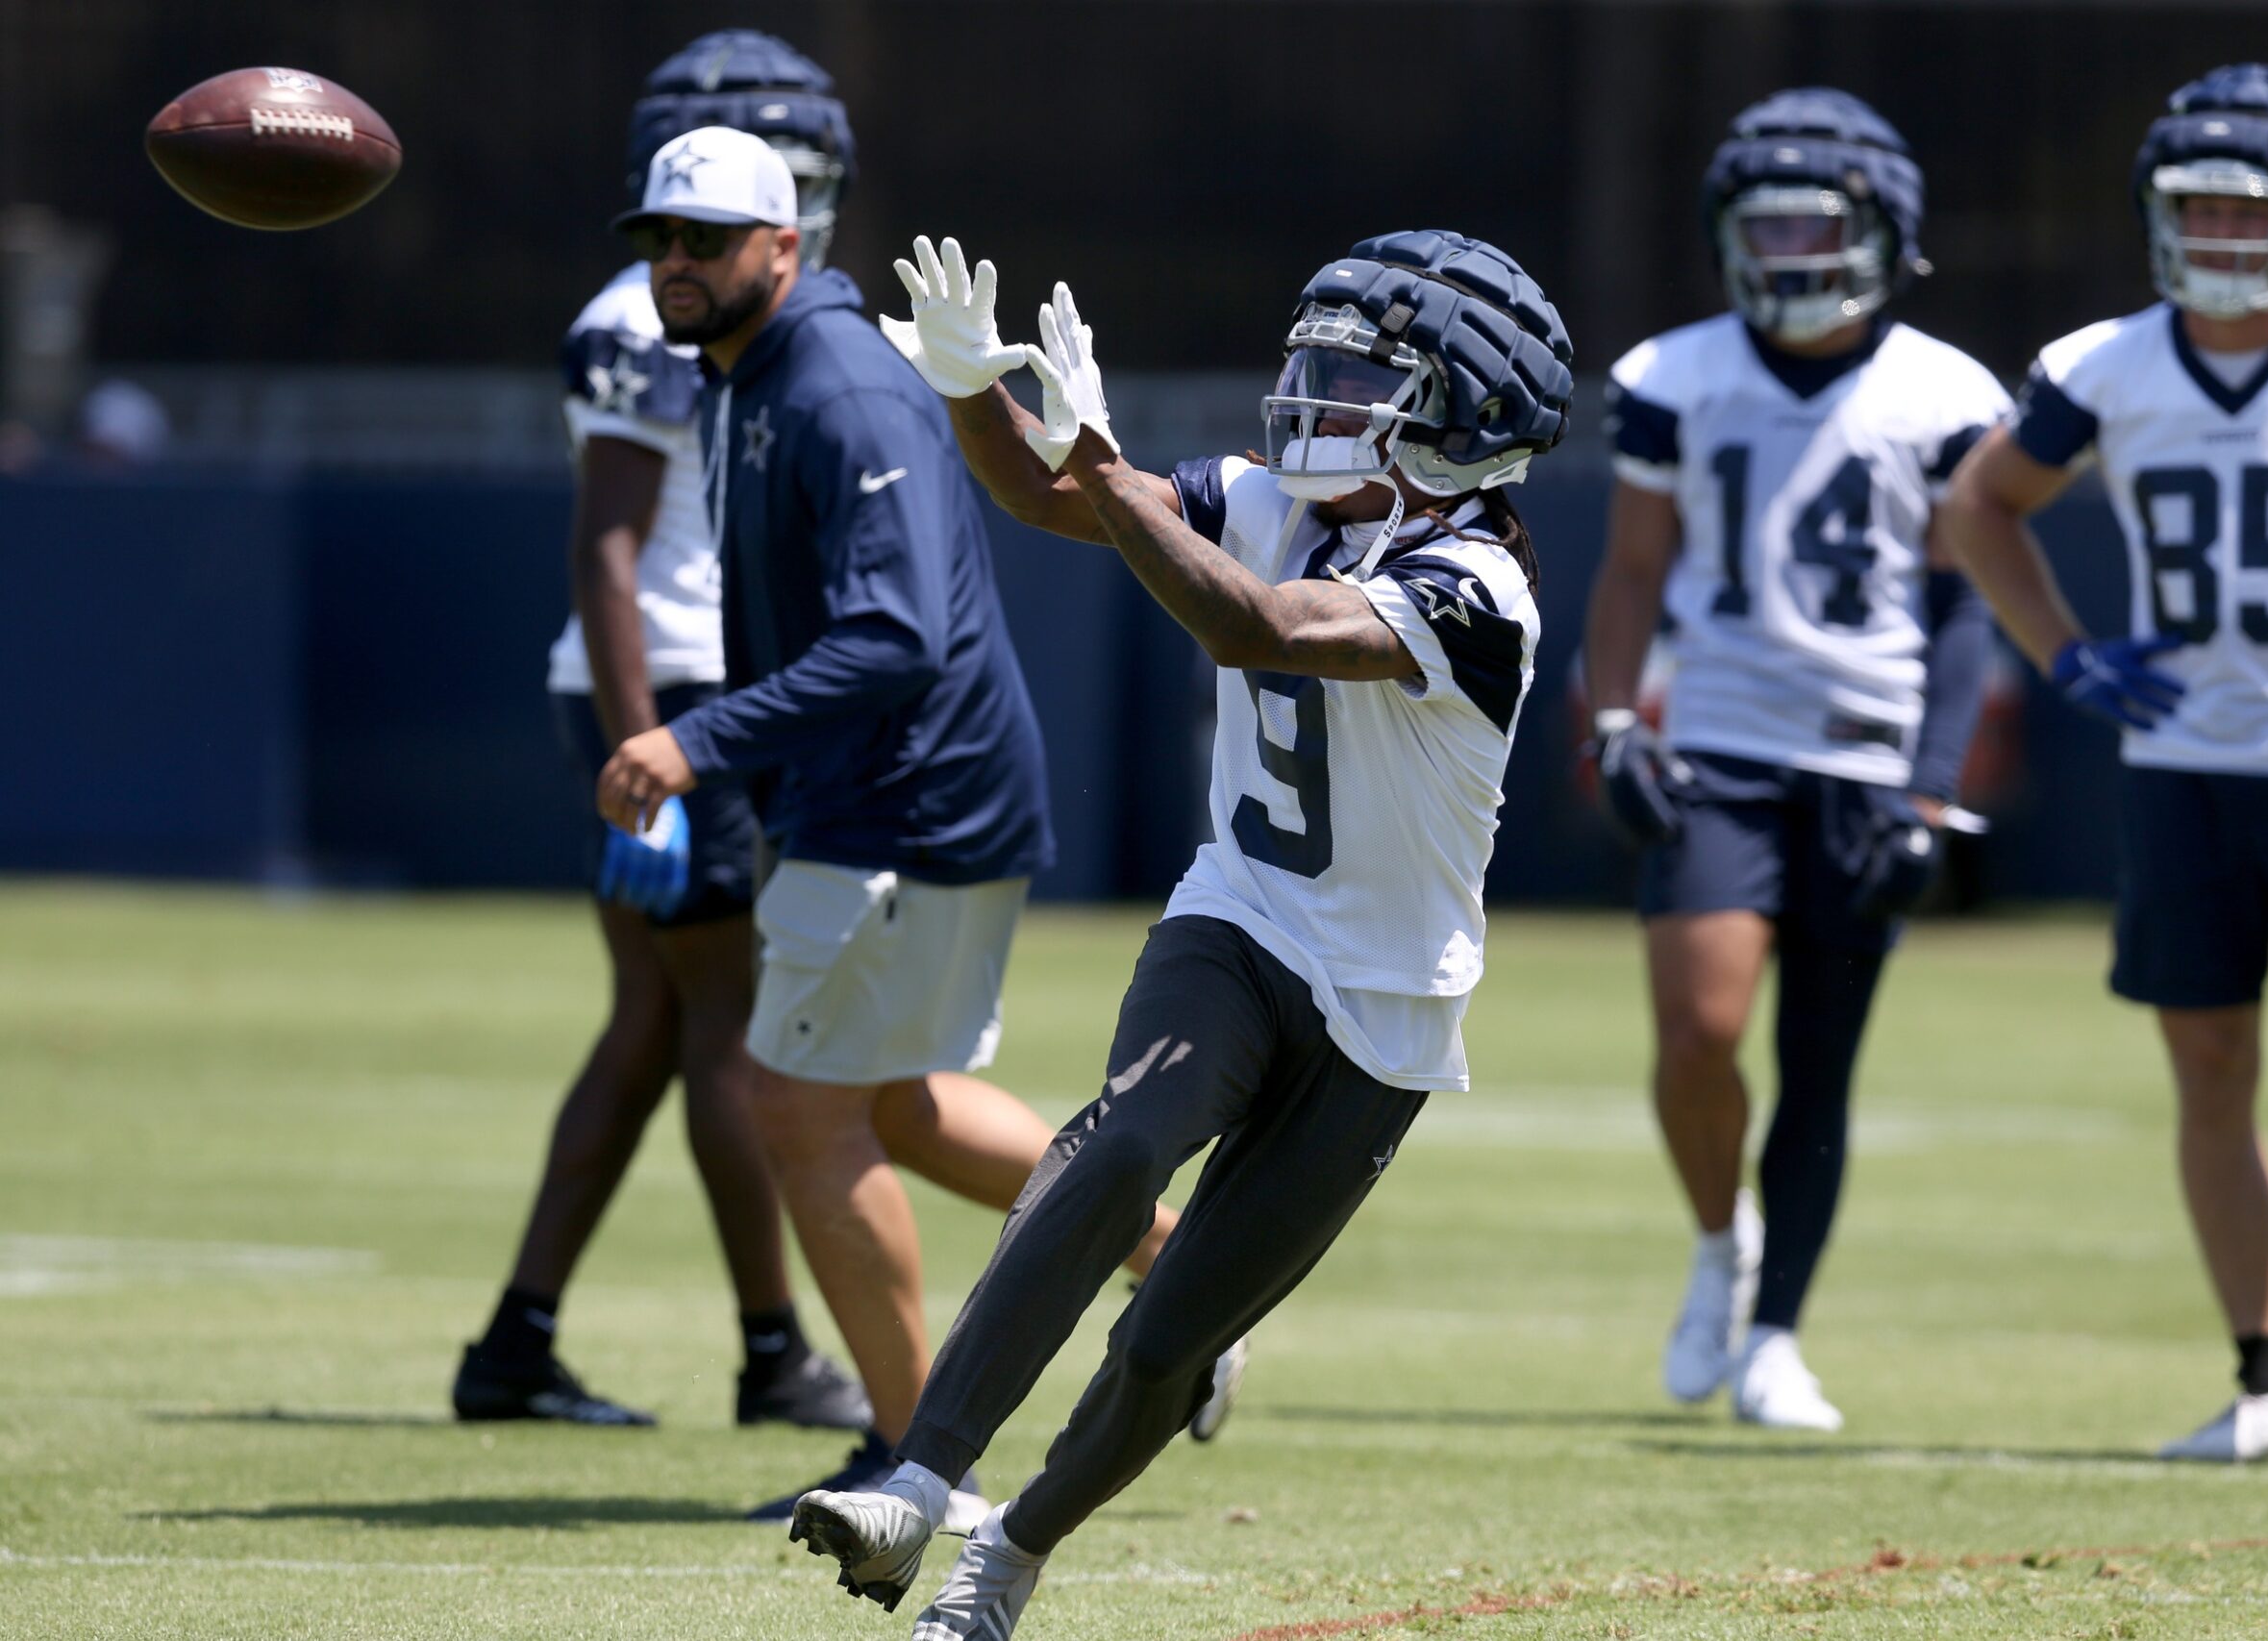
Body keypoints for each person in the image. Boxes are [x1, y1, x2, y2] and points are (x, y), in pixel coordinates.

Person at [784, 229, 1574, 1638]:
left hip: (1388, 1001)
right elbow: (1047, 493)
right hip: (1243, 919)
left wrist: (1095, 455)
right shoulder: (1266, 492)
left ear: (1465, 416)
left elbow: (1255, 624)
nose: (1316, 399)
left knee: (1165, 1342)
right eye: (1321, 366)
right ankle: (918, 1476)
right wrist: (973, 388)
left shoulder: (1481, 587)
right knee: (1125, 1140)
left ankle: (1009, 1555)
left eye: (1359, 379)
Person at [592, 131, 1236, 1525]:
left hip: (902, 798)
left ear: (785, 245)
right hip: (896, 792)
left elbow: (896, 636)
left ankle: (915, 1460)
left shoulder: (832, 383)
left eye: (705, 238)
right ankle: (1172, 1262)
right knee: (895, 1101)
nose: (677, 264)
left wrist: (692, 741)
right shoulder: (751, 372)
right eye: (658, 238)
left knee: (797, 1110)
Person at [1939, 63, 2268, 1464]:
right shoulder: (2107, 365)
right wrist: (2063, 652)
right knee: (2210, 1066)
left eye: (2251, 213)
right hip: (2176, 760)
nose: (2223, 239)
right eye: (2199, 212)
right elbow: (1981, 506)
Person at [453, 31, 868, 1433]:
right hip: (672, 696)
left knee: (650, 1022)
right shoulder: (649, 316)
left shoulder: (710, 304)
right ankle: (771, 1351)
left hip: (675, 693)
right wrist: (655, 768)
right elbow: (609, 554)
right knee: (726, 1027)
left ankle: (515, 1342)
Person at [1583, 88, 2004, 1431]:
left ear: (1886, 235)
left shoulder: (1948, 394)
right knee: (1701, 1028)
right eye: (1764, 231)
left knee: (1821, 1060)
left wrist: (1934, 785)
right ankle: (1722, 1248)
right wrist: (1609, 722)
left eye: (1818, 230)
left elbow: (1964, 601)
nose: (1790, 259)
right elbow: (1632, 568)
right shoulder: (1674, 376)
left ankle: (1776, 1335)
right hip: (1719, 732)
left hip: (1871, 752)